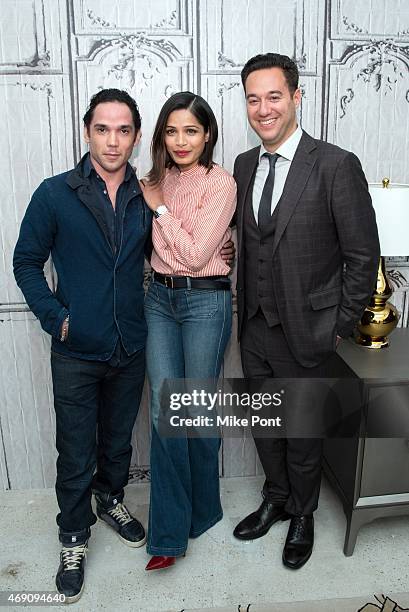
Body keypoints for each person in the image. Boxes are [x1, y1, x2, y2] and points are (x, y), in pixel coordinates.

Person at [232, 53, 380, 569]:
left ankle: (303, 512)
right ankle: (276, 497)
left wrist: (337, 328)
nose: (263, 108)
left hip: (310, 329)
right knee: (266, 424)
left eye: (274, 96)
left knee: (302, 428)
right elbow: (251, 241)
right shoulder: (245, 164)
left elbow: (363, 257)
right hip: (253, 326)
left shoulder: (337, 165)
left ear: (297, 98)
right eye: (254, 98)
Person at [140, 91, 236, 571]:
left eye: (191, 131)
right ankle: (169, 534)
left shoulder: (221, 183)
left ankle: (205, 509)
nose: (181, 141)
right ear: (161, 135)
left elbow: (198, 256)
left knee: (194, 411)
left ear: (207, 135)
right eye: (172, 131)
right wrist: (159, 209)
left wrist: (160, 211)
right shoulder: (152, 181)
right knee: (165, 410)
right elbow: (154, 248)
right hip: (158, 299)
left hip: (205, 302)